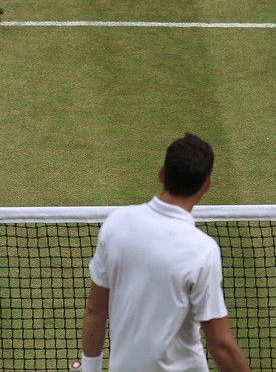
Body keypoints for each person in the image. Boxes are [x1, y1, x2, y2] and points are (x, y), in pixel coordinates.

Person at [78, 133, 251, 372]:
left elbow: (95, 309)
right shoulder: (202, 250)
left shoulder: (117, 224)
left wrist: (89, 369)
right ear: (207, 185)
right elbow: (220, 344)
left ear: (161, 173)